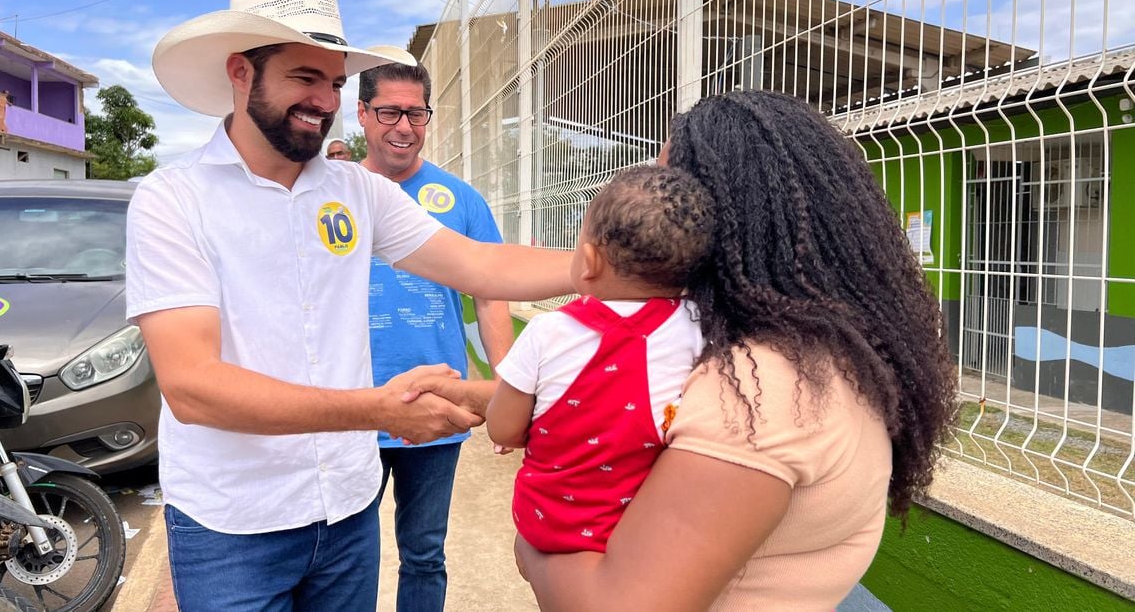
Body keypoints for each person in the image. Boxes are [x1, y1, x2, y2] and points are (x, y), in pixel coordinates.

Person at [126, 0, 571, 611]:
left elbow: (477, 265)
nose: (324, 99)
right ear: (241, 73)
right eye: (304, 78)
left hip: (344, 513)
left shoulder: (355, 191)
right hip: (233, 525)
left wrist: (605, 265)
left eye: (334, 82)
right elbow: (192, 386)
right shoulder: (173, 201)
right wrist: (377, 410)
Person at [513, 91, 958, 611]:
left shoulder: (757, 395)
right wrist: (487, 395)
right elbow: (618, 391)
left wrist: (532, 545)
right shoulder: (821, 358)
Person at [487, 165, 713, 554]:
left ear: (589, 260)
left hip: (548, 525)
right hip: (646, 530)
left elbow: (503, 430)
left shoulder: (547, 332)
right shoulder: (701, 329)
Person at [356, 60, 515, 612]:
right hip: (353, 408)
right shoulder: (336, 195)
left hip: (439, 405)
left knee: (424, 553)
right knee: (342, 555)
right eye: (389, 112)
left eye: (415, 113)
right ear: (361, 115)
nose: (403, 125)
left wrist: (506, 389)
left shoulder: (460, 200)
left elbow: (491, 294)